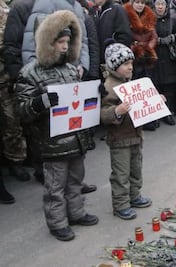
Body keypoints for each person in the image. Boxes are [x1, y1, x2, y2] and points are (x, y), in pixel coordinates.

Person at [15, 10, 99, 241]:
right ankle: (57, 223)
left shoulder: (71, 69)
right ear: (47, 42)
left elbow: (78, 103)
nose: (64, 46)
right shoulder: (29, 72)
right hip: (52, 143)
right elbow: (21, 110)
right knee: (55, 187)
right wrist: (40, 102)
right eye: (60, 42)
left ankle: (76, 212)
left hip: (76, 139)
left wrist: (93, 98)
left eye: (67, 42)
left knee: (75, 181)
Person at [100, 41, 152, 220]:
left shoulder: (130, 83)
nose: (130, 67)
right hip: (120, 139)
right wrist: (116, 111)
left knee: (136, 169)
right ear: (115, 66)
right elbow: (102, 115)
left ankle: (135, 196)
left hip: (136, 136)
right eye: (126, 64)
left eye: (131, 63)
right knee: (121, 174)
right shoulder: (108, 88)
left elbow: (142, 103)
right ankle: (121, 205)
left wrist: (155, 101)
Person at [0, 0, 31, 182]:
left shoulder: (5, 9)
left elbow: (10, 41)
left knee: (12, 122)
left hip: (5, 77)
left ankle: (15, 161)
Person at [124, 0, 160, 131]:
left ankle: (148, 119)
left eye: (142, 2)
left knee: (146, 90)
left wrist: (148, 47)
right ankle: (135, 120)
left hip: (146, 57)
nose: (140, 5)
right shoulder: (125, 15)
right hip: (132, 58)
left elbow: (154, 36)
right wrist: (134, 47)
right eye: (137, 2)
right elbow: (124, 35)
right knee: (134, 91)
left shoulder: (150, 16)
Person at [152, 0, 176, 125]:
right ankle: (156, 113)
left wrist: (172, 38)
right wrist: (157, 41)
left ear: (166, 6)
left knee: (169, 86)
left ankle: (168, 112)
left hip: (169, 57)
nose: (160, 7)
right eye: (158, 4)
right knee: (155, 86)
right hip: (154, 57)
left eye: (162, 4)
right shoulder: (150, 20)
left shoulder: (172, 20)